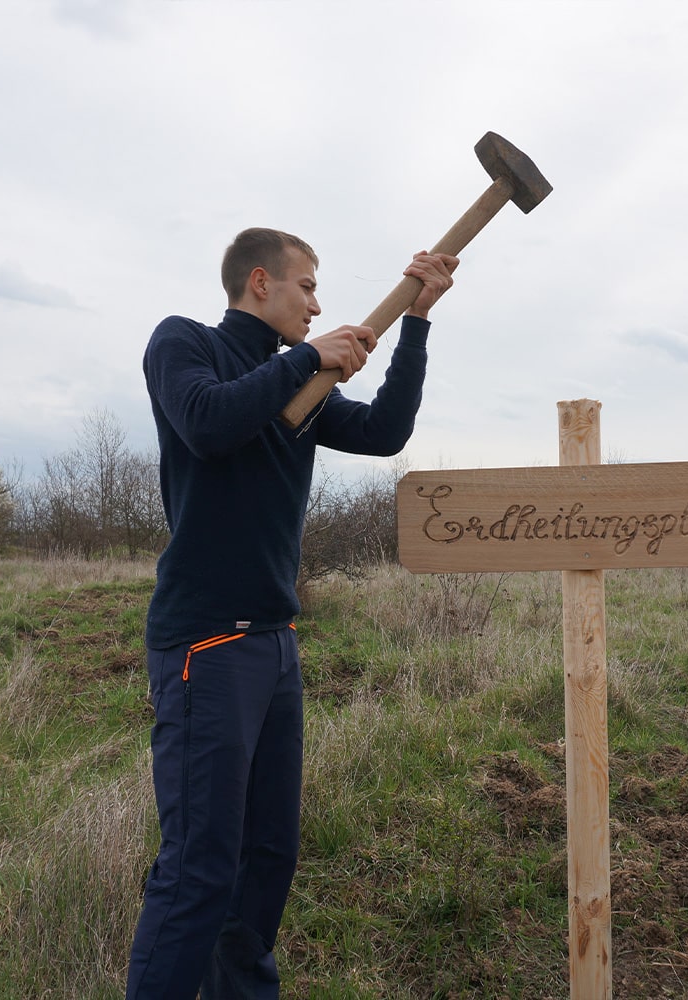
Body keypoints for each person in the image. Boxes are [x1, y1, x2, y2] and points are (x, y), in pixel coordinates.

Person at [126, 227, 458, 999]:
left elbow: (384, 433)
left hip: (275, 646)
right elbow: (207, 426)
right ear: (260, 282)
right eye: (307, 286)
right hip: (205, 645)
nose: (317, 303)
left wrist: (417, 322)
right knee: (199, 866)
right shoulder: (186, 345)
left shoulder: (294, 384)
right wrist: (312, 358)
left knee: (267, 855)